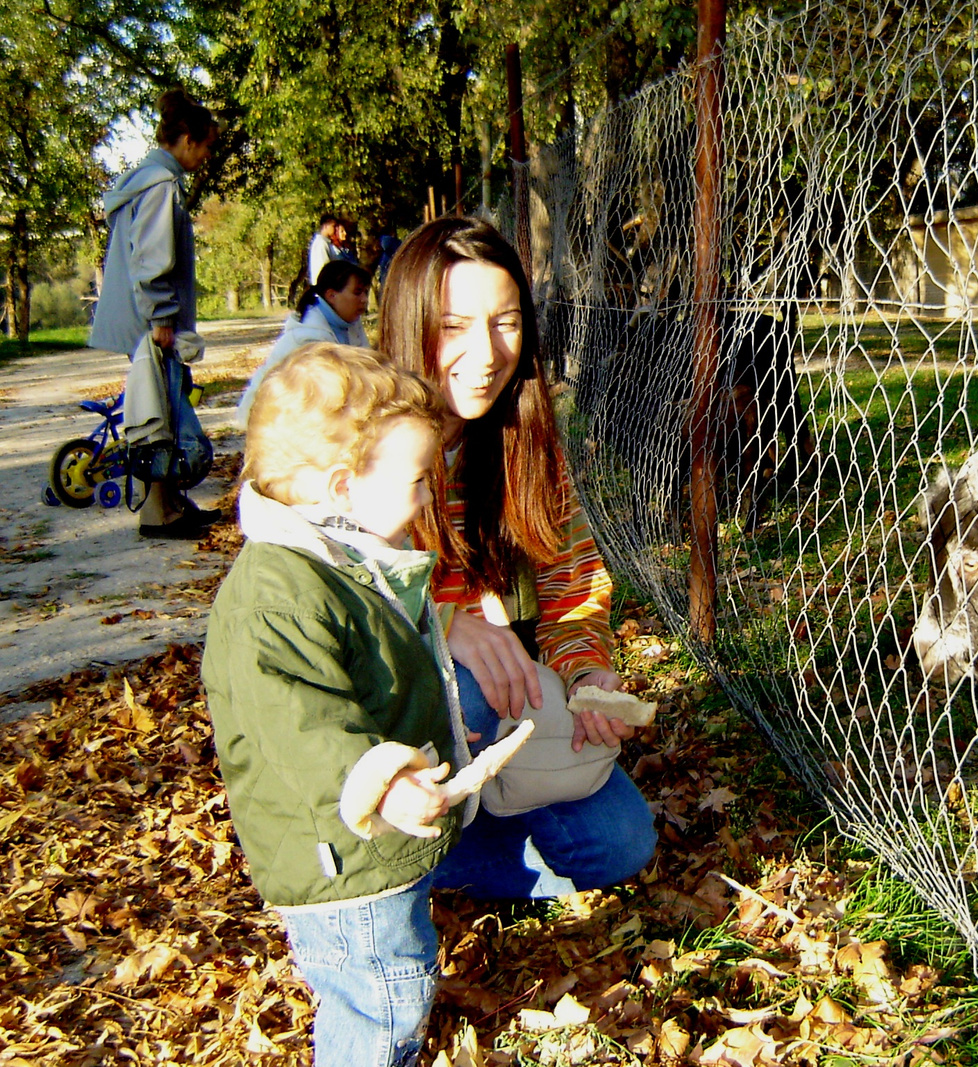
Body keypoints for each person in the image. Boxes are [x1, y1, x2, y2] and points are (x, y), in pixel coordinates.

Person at [202, 344, 469, 1065]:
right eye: (417, 480)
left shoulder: (340, 561)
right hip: (338, 857)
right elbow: (306, 725)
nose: (426, 498)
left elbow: (379, 674)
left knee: (392, 970)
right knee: (382, 991)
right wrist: (383, 779)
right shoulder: (275, 595)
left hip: (363, 845)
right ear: (344, 485)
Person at [378, 216, 656, 898]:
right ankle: (389, 842)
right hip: (389, 715)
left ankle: (452, 844)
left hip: (502, 704)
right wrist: (442, 625)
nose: (485, 352)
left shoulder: (523, 436)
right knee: (467, 683)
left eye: (505, 322)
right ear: (411, 322)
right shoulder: (360, 434)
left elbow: (570, 582)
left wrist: (586, 665)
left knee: (621, 843)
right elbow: (319, 596)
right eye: (455, 325)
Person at [88, 88, 221, 539]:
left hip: (145, 319)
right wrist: (162, 317)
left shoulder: (147, 179)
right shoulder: (161, 185)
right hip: (152, 322)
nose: (205, 156)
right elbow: (152, 257)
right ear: (185, 139)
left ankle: (169, 505)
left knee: (160, 410)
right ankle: (158, 516)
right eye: (204, 146)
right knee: (161, 417)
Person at [235, 260, 371, 424]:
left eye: (365, 292)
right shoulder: (309, 337)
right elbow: (336, 393)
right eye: (357, 292)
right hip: (269, 421)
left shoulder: (349, 323)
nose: (364, 299)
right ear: (331, 295)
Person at [305, 214, 340, 292]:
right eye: (333, 226)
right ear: (325, 226)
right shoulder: (321, 243)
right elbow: (325, 267)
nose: (335, 229)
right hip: (323, 288)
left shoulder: (325, 243)